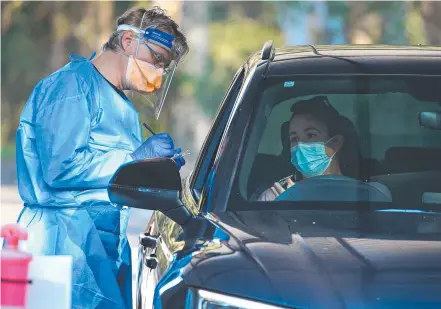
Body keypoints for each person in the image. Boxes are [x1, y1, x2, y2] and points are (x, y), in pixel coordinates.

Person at [15, 6, 188, 309]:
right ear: (128, 42)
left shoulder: (124, 110)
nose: (158, 75)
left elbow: (114, 183)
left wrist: (152, 172)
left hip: (105, 250)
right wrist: (134, 160)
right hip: (62, 245)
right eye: (156, 60)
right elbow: (60, 167)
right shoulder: (70, 86)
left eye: (164, 67)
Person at [258, 96, 391, 202]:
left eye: (311, 135)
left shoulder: (371, 194)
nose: (300, 145)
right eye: (294, 139)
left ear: (335, 143)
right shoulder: (273, 197)